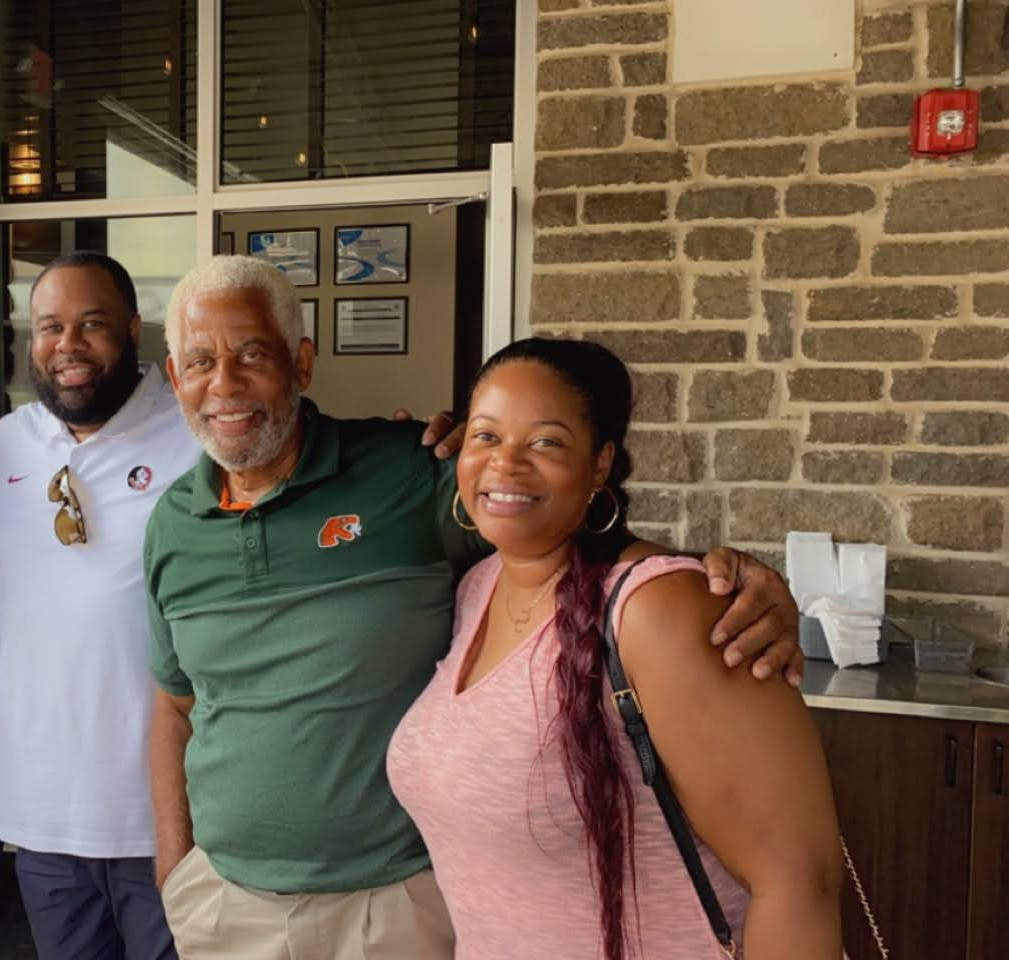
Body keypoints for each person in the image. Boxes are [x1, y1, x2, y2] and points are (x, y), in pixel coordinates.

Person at [142, 256, 801, 960]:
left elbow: (555, 537)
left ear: (301, 362)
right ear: (176, 377)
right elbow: (176, 705)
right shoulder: (172, 526)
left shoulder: (410, 472)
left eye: (251, 354)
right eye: (200, 361)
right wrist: (176, 865)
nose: (225, 384)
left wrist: (713, 579)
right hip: (223, 908)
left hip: (394, 908)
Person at [386, 338, 842, 959]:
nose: (506, 463)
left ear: (600, 464)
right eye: (486, 436)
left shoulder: (659, 610)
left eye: (546, 441)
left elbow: (798, 880)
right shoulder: (476, 589)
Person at [0, 252, 201, 960]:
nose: (68, 346)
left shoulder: (196, 437)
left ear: (132, 328)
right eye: (49, 327)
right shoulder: (7, 445)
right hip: (42, 811)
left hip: (168, 813)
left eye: (90, 325)